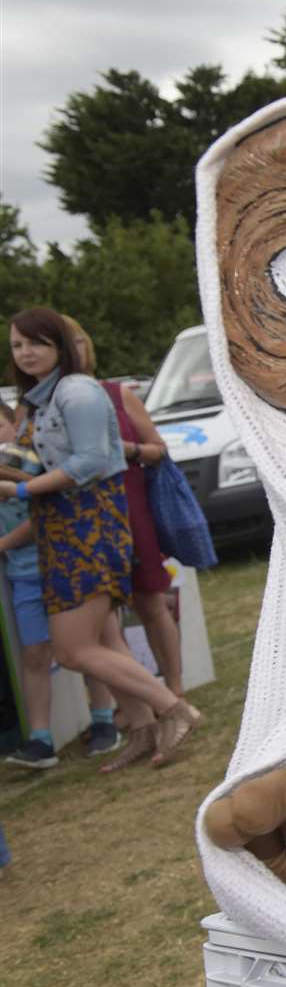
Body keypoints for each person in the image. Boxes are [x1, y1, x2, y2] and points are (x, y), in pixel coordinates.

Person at [1, 308, 201, 763]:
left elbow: (89, 463)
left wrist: (22, 489)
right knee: (105, 640)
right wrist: (17, 477)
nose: (25, 353)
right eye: (17, 345)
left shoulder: (77, 391)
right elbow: (37, 462)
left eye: (36, 343)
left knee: (73, 650)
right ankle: (144, 731)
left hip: (89, 529)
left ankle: (175, 709)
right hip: (61, 530)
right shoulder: (38, 399)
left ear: (60, 347)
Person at [68, 321, 194, 767]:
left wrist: (124, 448)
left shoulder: (117, 394)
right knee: (105, 624)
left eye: (81, 341)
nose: (77, 350)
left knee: (151, 601)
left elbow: (158, 449)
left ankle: (174, 688)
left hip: (130, 505)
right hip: (83, 523)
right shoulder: (50, 406)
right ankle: (138, 713)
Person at [0, 404, 67, 768]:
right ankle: (41, 740)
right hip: (21, 577)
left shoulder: (35, 464)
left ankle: (104, 719)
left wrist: (4, 545)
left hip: (60, 567)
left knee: (87, 648)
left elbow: (43, 518)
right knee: (34, 654)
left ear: (15, 426)